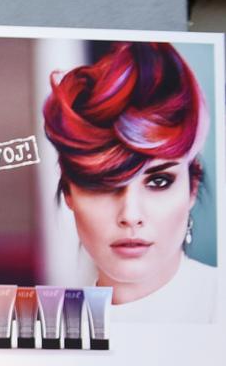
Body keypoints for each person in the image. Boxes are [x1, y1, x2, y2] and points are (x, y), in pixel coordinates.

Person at [42, 41, 216, 322]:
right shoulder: (50, 324)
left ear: (192, 188)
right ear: (68, 192)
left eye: (159, 181)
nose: (131, 215)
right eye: (104, 183)